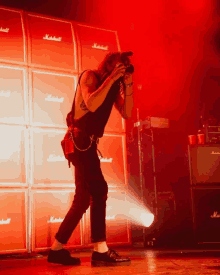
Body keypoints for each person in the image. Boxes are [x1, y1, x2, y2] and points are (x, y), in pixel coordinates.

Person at [47, 52, 134, 266]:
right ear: (108, 65)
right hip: (79, 140)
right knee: (99, 189)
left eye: (123, 68)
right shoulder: (90, 77)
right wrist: (113, 78)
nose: (119, 70)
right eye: (117, 66)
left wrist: (128, 85)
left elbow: (128, 113)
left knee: (83, 198)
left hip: (88, 144)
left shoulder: (112, 88)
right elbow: (91, 104)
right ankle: (100, 250)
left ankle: (56, 249)